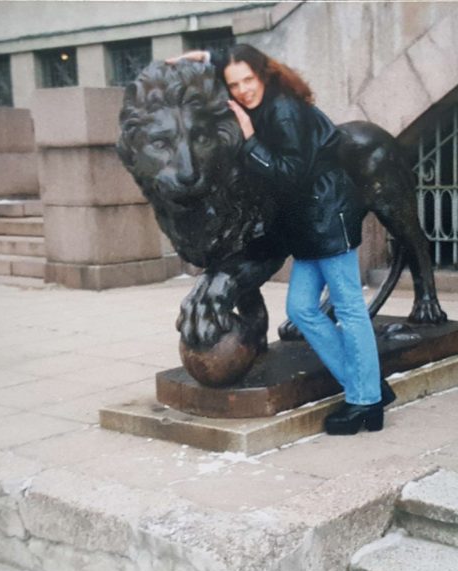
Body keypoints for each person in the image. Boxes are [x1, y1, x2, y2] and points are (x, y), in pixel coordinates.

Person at [168, 44, 395, 435]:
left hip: (326, 216)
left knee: (349, 308)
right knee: (303, 308)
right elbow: (230, 59)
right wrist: (203, 58)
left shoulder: (284, 110)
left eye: (248, 81)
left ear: (264, 76)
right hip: (307, 224)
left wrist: (251, 138)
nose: (243, 90)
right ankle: (368, 384)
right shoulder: (265, 102)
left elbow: (290, 174)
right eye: (234, 84)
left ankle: (365, 403)